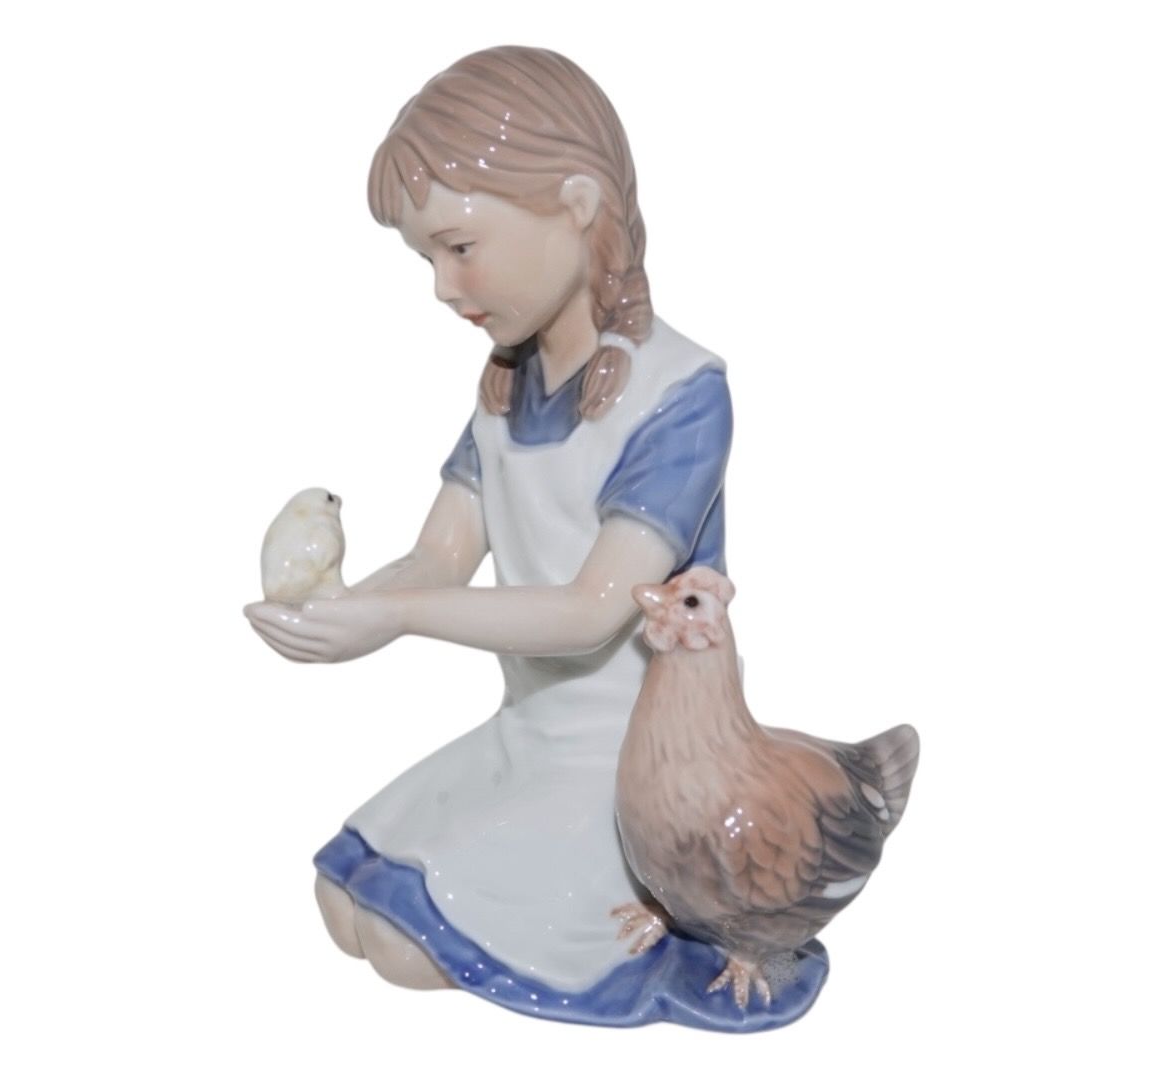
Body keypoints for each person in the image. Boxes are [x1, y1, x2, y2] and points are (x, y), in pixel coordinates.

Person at [245, 46, 826, 1030]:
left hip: (642, 774)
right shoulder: (504, 392)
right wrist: (344, 608)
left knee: (405, 944)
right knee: (345, 902)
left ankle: (648, 917)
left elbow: (591, 612)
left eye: (459, 247)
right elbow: (440, 556)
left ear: (577, 205)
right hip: (530, 735)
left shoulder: (680, 395)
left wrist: (397, 617)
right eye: (427, 258)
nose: (443, 285)